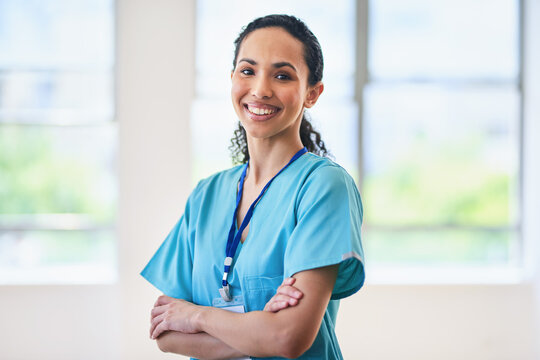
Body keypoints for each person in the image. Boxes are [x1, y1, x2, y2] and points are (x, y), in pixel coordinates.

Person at [141, 14, 365, 360]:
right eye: (248, 71)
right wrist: (259, 330)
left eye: (282, 75)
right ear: (232, 79)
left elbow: (288, 337)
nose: (261, 89)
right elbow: (166, 332)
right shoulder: (206, 195)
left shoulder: (324, 186)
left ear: (312, 93)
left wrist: (198, 316)